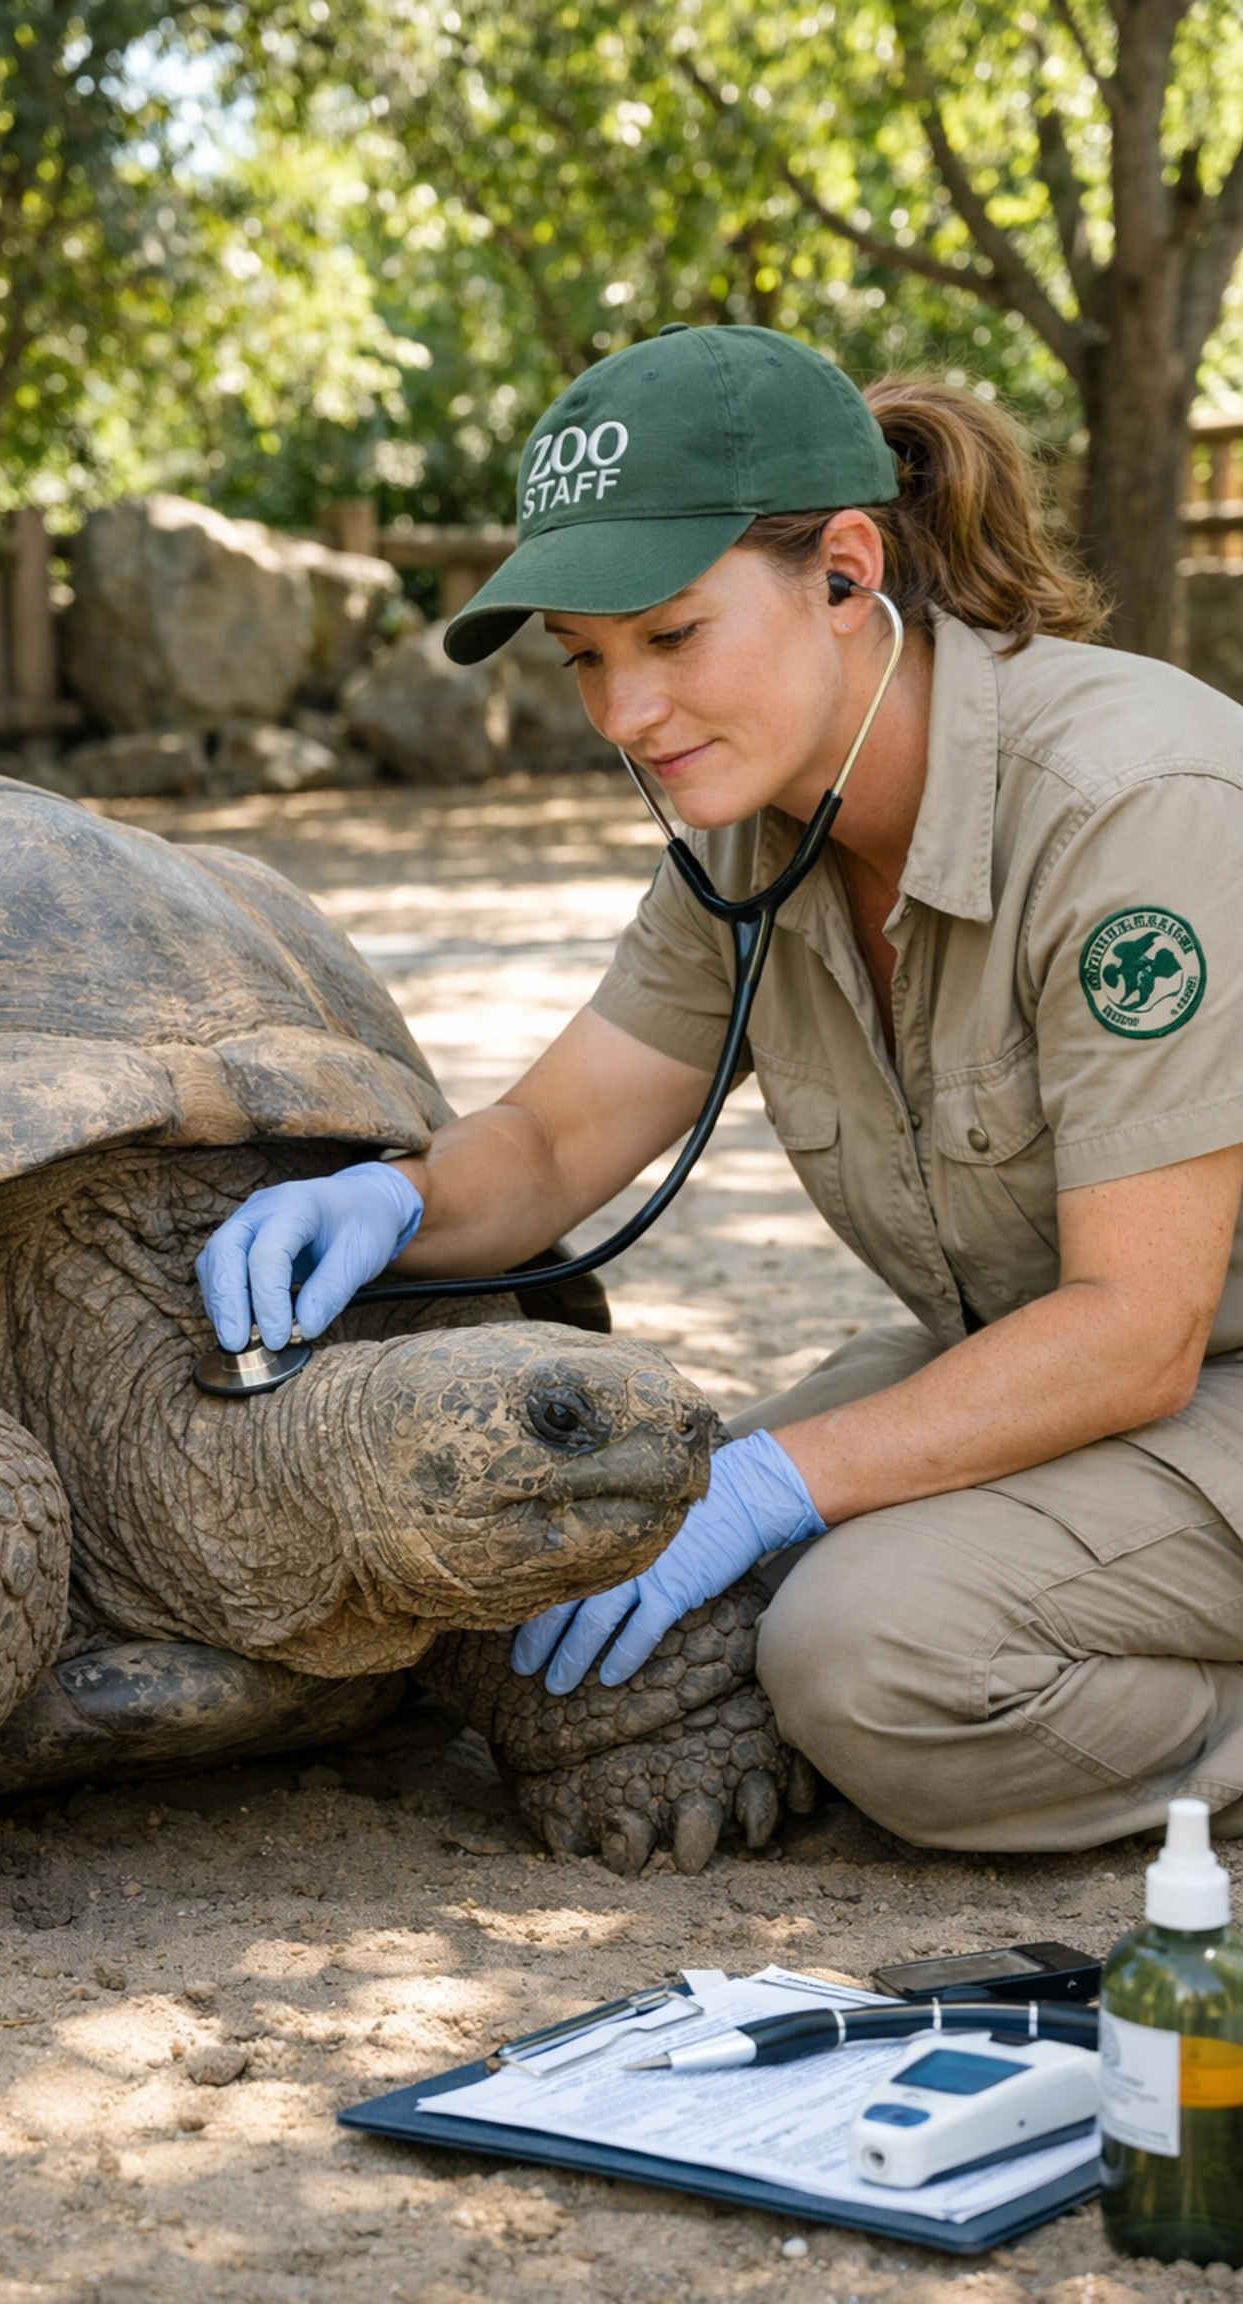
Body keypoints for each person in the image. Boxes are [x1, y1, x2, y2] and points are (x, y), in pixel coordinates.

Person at [198, 323, 1243, 1853]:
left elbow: (1136, 1332)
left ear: (844, 573)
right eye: (586, 659)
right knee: (634, 1538)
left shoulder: (1136, 811)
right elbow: (555, 1143)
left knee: (863, 1653)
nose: (625, 716)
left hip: (1171, 1361)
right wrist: (387, 1204)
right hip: (1086, 1361)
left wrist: (776, 1488)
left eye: (672, 637)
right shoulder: (753, 840)